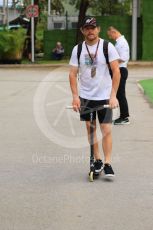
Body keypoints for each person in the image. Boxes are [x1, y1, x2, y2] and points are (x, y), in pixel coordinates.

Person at [69, 17, 120, 177]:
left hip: (104, 95)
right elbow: (72, 74)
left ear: (98, 29)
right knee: (91, 131)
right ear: (83, 30)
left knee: (106, 130)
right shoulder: (77, 49)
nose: (90, 31)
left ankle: (108, 163)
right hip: (86, 96)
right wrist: (75, 97)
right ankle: (97, 160)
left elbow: (116, 71)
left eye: (93, 27)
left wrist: (113, 96)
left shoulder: (107, 46)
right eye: (87, 28)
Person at [107, 26, 130, 125]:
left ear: (113, 32)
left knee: (120, 94)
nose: (110, 37)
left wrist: (110, 63)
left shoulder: (122, 43)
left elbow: (123, 58)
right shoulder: (119, 43)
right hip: (118, 69)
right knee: (118, 94)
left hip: (120, 70)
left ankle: (124, 118)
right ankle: (123, 116)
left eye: (110, 35)